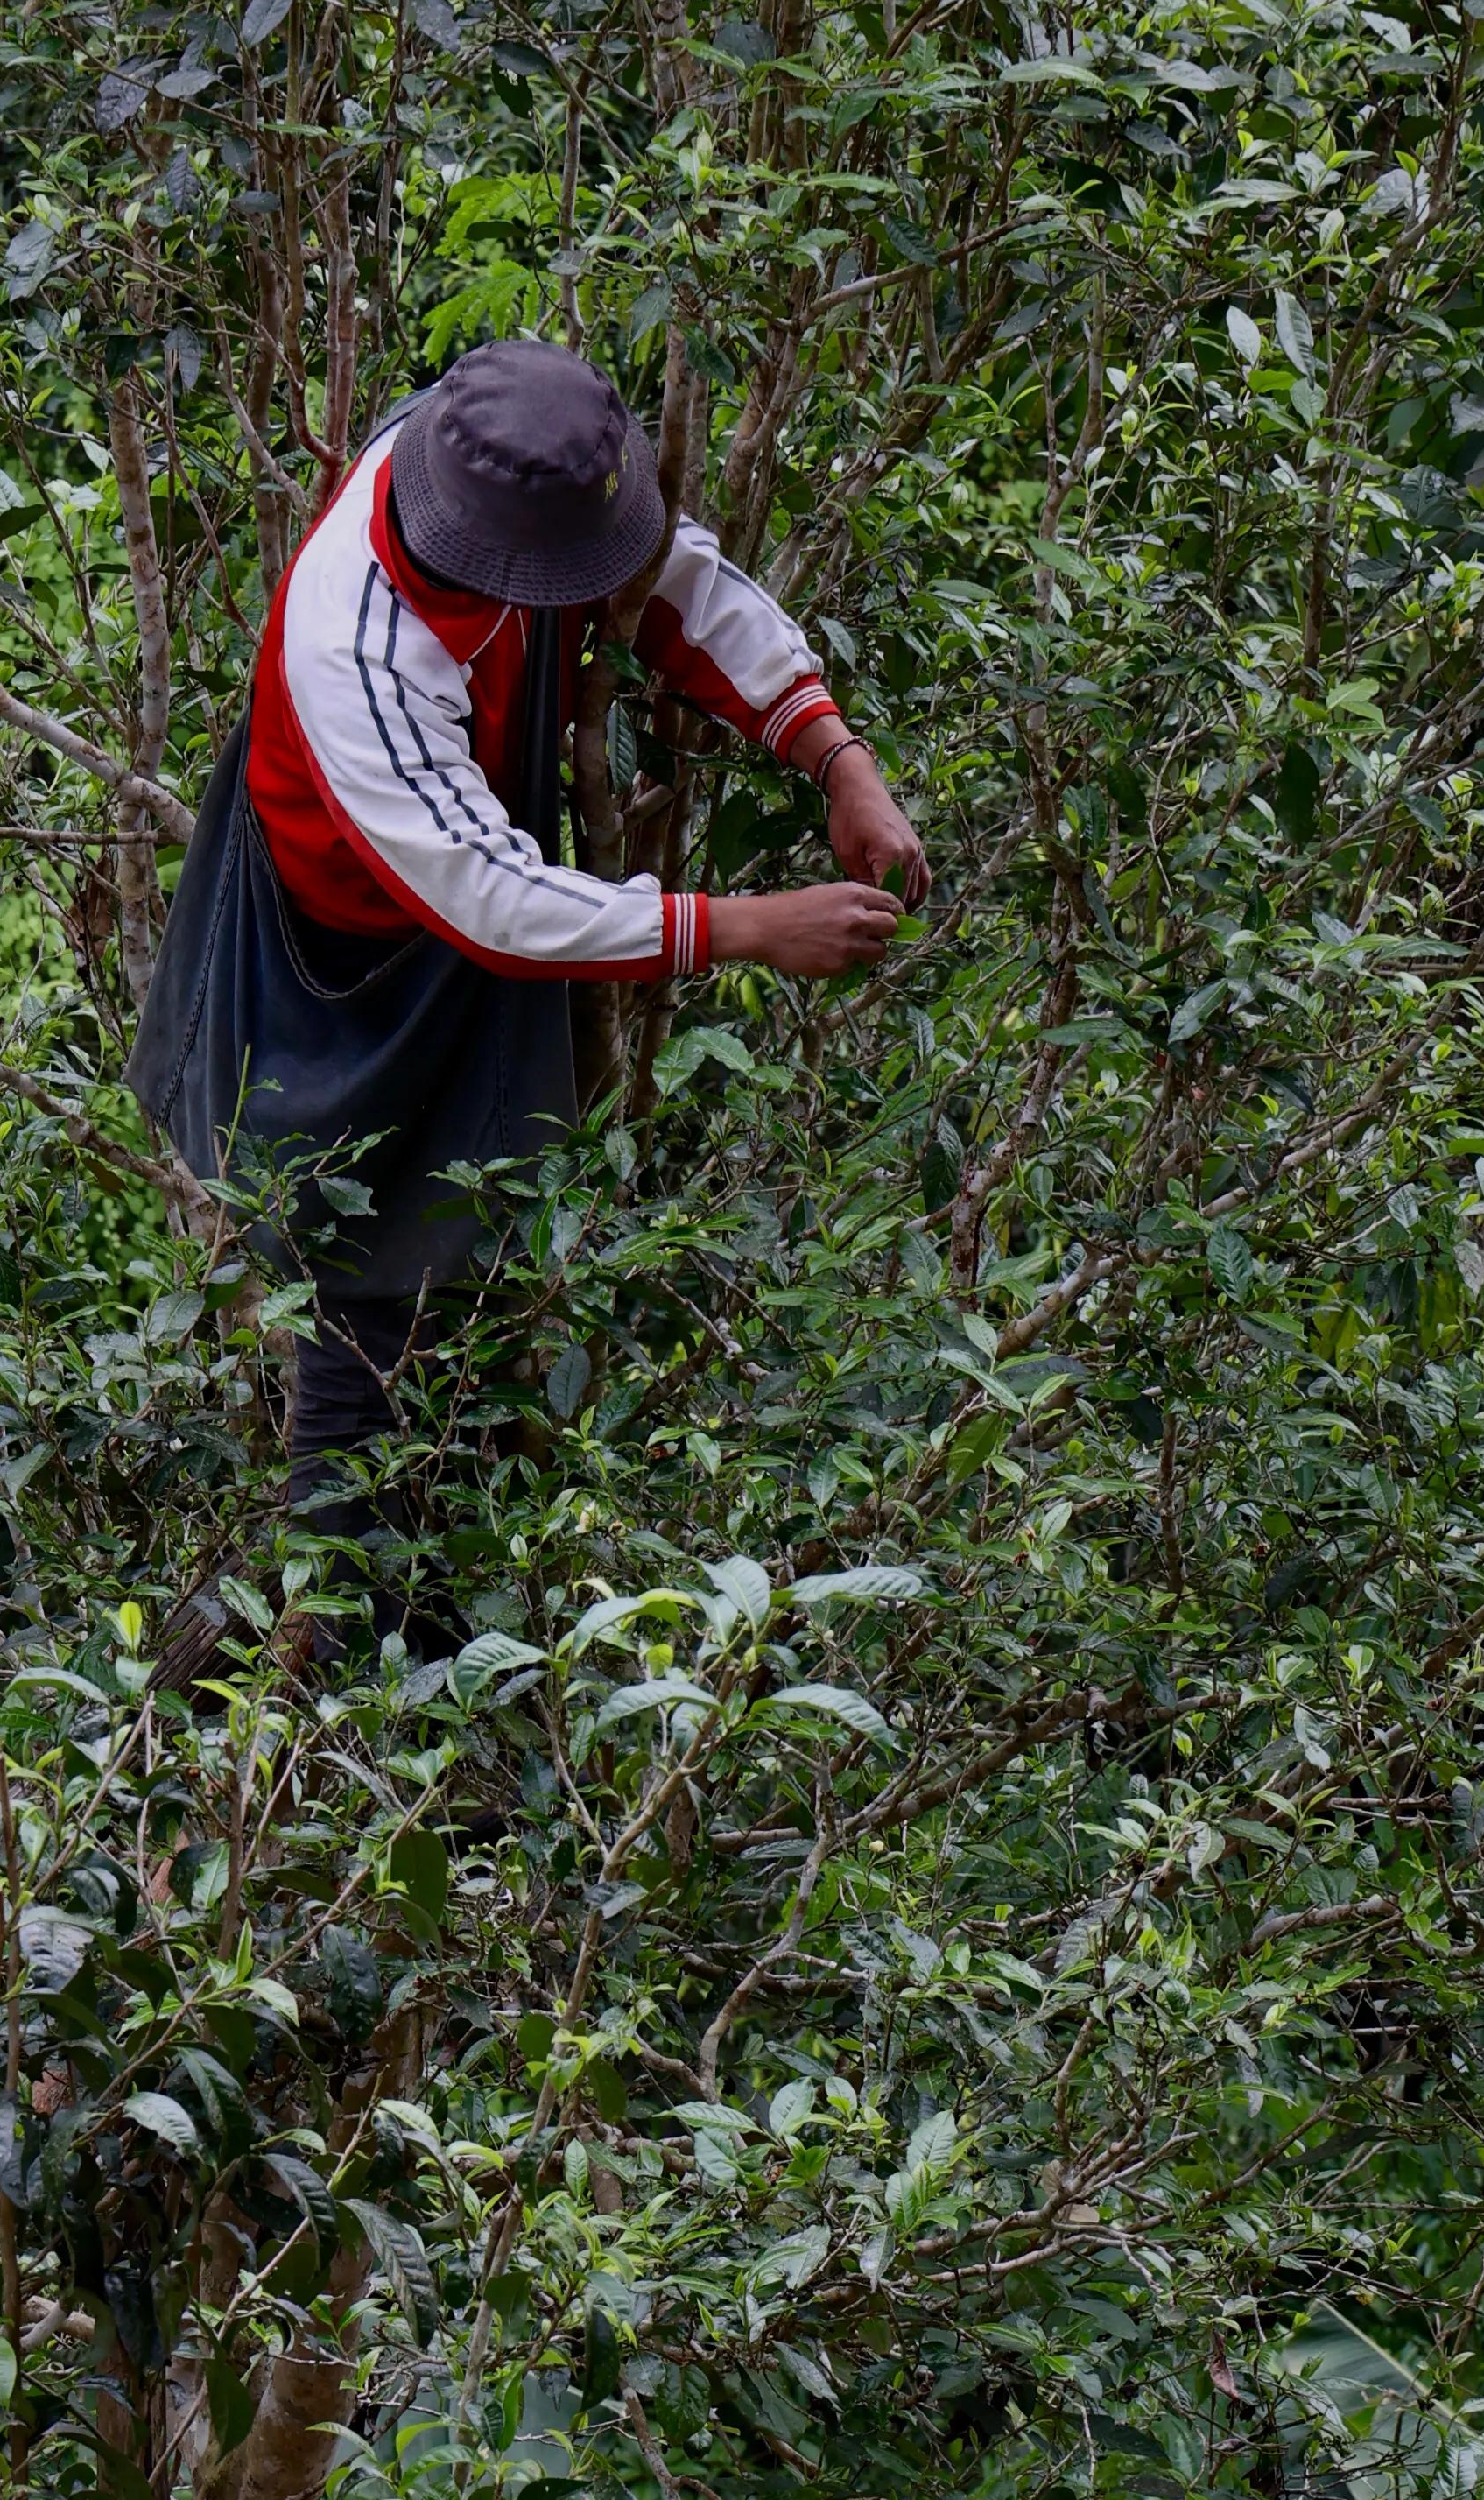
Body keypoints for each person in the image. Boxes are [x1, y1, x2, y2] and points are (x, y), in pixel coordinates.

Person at [130, 332, 927, 1626]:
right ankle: (339, 1670)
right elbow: (491, 899)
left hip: (468, 877)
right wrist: (744, 925)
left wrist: (836, 756)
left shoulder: (521, 471)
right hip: (346, 959)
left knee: (478, 1296)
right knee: (364, 1304)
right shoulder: (360, 648)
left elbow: (676, 586)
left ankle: (441, 1602)